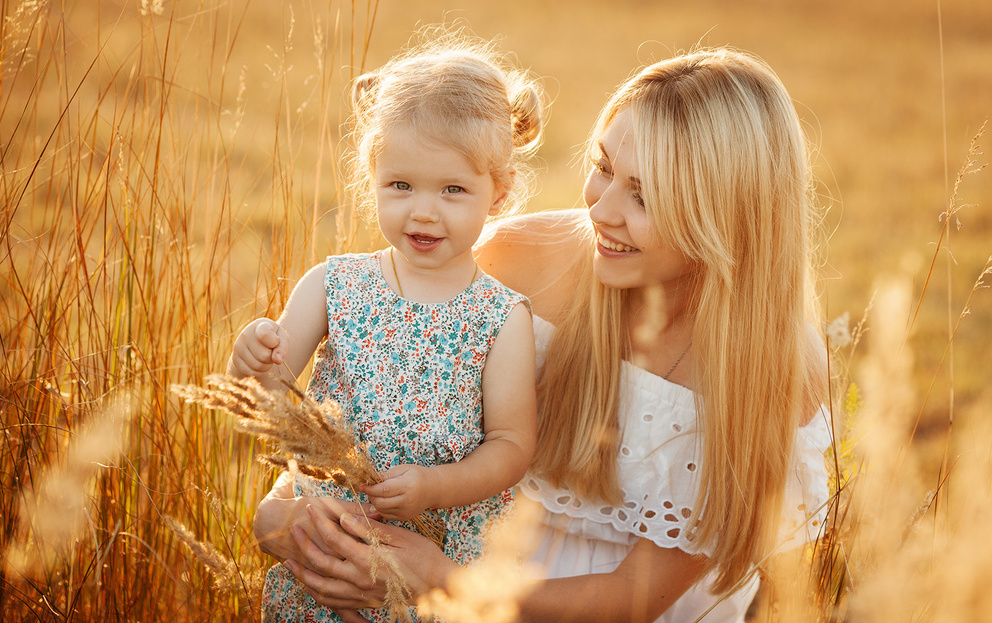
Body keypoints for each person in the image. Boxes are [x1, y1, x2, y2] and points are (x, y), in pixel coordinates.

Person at [253, 47, 833, 623]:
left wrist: (441, 581)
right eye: (604, 167)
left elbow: (635, 597)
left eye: (644, 194)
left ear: (725, 217)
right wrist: (289, 521)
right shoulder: (513, 261)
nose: (601, 210)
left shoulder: (772, 368)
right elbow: (376, 420)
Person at [227, 29, 544, 622]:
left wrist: (432, 487)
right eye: (400, 185)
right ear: (373, 175)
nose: (422, 210)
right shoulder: (333, 284)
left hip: (432, 550)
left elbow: (510, 446)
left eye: (453, 190)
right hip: (326, 548)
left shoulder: (502, 317)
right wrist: (251, 360)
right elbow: (268, 399)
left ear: (497, 194)